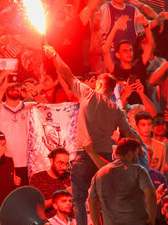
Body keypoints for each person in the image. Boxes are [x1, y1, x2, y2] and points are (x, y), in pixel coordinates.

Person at [43, 45, 140, 225]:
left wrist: (55, 56)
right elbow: (128, 134)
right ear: (112, 90)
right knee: (104, 201)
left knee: (79, 200)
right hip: (103, 159)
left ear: (100, 84)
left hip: (83, 155)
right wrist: (137, 152)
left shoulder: (89, 94)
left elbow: (67, 73)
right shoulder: (117, 110)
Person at [88, 137, 157, 225]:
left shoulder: (99, 174)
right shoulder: (138, 170)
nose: (137, 157)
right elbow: (150, 194)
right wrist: (151, 220)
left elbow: (93, 201)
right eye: (136, 153)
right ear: (130, 154)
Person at [30, 147, 72, 214]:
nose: (64, 167)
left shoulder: (70, 177)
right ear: (51, 160)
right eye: (60, 163)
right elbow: (36, 206)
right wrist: (59, 196)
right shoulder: (38, 178)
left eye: (66, 164)